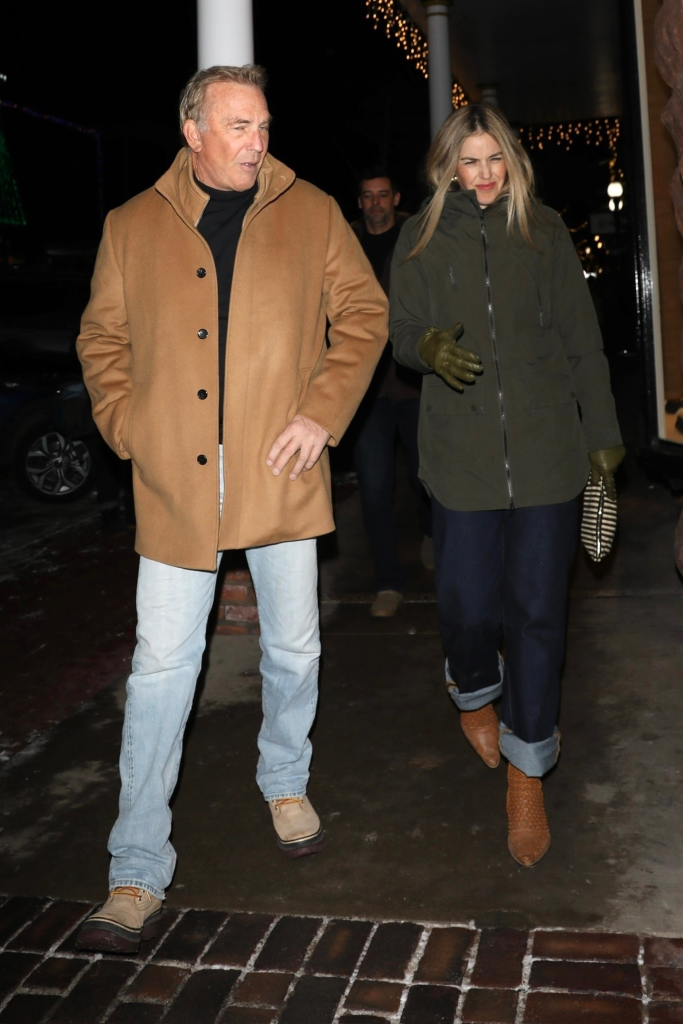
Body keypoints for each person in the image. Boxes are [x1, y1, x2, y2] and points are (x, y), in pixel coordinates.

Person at [74, 64, 387, 952]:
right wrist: (129, 425)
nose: (258, 141)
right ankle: (135, 866)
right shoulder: (130, 225)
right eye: (240, 126)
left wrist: (320, 415)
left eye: (263, 125)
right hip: (176, 485)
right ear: (193, 131)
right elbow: (102, 338)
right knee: (159, 675)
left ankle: (285, 781)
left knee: (293, 646)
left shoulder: (313, 210)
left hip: (277, 472)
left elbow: (363, 314)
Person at [390, 104, 624, 867]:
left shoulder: (544, 231)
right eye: (470, 160)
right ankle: (470, 689)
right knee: (462, 601)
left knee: (535, 615)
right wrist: (425, 346)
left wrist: (602, 436)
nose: (484, 173)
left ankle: (528, 773)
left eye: (495, 159)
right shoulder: (421, 236)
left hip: (548, 452)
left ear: (511, 162)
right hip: (460, 458)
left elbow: (581, 340)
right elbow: (401, 329)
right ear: (447, 167)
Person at [351, 168, 433, 618]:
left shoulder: (417, 238)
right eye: (368, 196)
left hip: (413, 380)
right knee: (375, 488)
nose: (376, 203)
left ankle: (432, 532)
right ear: (359, 201)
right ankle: (387, 581)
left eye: (383, 195)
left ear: (395, 197)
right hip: (364, 391)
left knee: (426, 474)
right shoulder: (345, 242)